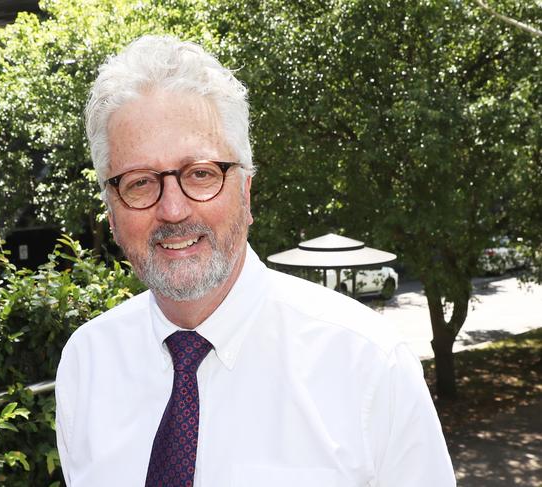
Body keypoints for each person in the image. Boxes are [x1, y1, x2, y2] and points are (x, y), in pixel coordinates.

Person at [55, 35, 455, 487]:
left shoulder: (366, 364)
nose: (172, 210)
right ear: (111, 209)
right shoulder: (86, 365)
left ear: (245, 190)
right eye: (140, 182)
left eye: (200, 174)